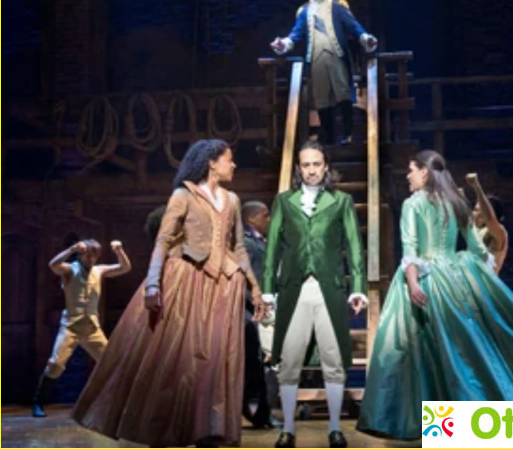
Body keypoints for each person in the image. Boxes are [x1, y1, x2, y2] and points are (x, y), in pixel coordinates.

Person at [357, 151, 513, 440]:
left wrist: (412, 282)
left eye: (411, 170)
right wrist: (478, 279)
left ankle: (437, 423)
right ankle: (465, 423)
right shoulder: (456, 203)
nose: (407, 175)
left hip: (426, 279)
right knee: (462, 351)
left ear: (425, 172)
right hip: (455, 280)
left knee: (423, 351)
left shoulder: (413, 204)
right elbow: (478, 250)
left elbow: (410, 248)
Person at [72, 139, 264, 447]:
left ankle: (210, 430)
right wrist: (152, 283)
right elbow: (162, 241)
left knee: (217, 359)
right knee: (182, 358)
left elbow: (239, 247)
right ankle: (168, 430)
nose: (234, 165)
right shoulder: (183, 195)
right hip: (188, 279)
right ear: (212, 162)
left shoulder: (232, 199)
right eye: (229, 159)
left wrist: (254, 288)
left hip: (225, 287)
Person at [262, 141, 367, 448]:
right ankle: (288, 429)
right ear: (299, 167)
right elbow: (272, 247)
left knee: (333, 359)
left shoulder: (341, 201)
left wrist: (358, 287)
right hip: (293, 289)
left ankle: (335, 428)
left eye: (316, 164)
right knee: (289, 359)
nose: (311, 170)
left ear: (325, 166)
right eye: (306, 164)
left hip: (328, 289)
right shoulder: (284, 201)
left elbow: (354, 246)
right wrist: (267, 290)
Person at [271, 0, 377, 146]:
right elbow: (296, 34)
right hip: (316, 59)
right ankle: (328, 136)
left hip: (336, 56)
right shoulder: (305, 11)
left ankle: (347, 134)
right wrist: (283, 43)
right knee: (322, 98)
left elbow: (354, 26)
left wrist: (366, 38)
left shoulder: (337, 7)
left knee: (343, 94)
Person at [32, 239, 131, 417]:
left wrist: (119, 251)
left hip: (91, 328)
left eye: (94, 256)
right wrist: (71, 249)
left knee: (111, 363)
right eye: (88, 255)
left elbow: (124, 268)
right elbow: (53, 265)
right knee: (55, 365)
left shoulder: (99, 270)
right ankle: (38, 402)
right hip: (70, 327)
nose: (91, 259)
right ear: (81, 255)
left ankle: (118, 403)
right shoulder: (70, 269)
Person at [241, 201, 282, 429]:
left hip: (265, 308)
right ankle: (259, 412)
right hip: (252, 312)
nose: (269, 220)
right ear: (251, 219)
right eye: (265, 216)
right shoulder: (246, 243)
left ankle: (261, 413)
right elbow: (244, 279)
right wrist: (257, 303)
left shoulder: (260, 241)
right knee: (259, 363)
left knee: (265, 363)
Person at [465, 172, 508, 275]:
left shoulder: (499, 232)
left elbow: (489, 218)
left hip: (486, 283)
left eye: (476, 210)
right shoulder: (475, 230)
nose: (472, 213)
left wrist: (476, 186)